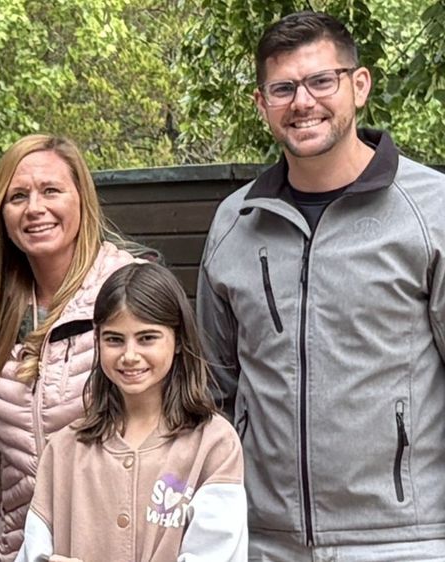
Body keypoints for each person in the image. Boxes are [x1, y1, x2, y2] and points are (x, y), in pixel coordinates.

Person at [196, 10, 445, 560]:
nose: (302, 102)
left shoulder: (432, 211)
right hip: (264, 539)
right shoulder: (235, 223)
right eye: (283, 88)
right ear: (262, 104)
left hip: (405, 540)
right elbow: (214, 386)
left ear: (359, 85)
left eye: (321, 81)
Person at [0, 134, 139, 560]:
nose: (34, 208)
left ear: (82, 199)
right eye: (17, 196)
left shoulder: (129, 294)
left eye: (51, 190)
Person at [18, 262, 246, 562]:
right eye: (114, 339)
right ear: (97, 340)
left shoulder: (214, 444)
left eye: (147, 338)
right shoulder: (63, 450)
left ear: (178, 340)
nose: (129, 356)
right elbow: (34, 553)